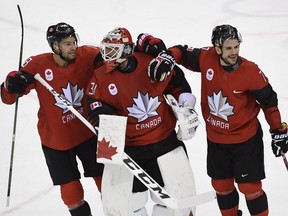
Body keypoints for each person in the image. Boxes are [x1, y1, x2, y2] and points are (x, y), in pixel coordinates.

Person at [145, 24, 288, 216]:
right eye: (228, 48)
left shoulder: (251, 71)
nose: (234, 52)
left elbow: (269, 102)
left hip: (246, 139)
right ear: (217, 48)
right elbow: (181, 51)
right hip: (216, 139)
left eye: (236, 46)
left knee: (250, 187)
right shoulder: (207, 58)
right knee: (221, 186)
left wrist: (278, 131)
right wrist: (167, 56)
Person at [86, 27, 200, 215]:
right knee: (129, 207)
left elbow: (177, 82)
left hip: (165, 144)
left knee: (174, 204)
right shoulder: (100, 77)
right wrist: (103, 118)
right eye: (106, 49)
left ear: (127, 50)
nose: (107, 55)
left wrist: (185, 106)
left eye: (113, 50)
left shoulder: (150, 64)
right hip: (130, 149)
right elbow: (94, 104)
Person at [1, 22, 106, 216]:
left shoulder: (89, 55)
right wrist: (10, 84)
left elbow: (116, 60)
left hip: (89, 132)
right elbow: (8, 98)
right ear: (55, 46)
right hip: (56, 140)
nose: (73, 46)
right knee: (71, 196)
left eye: (74, 41)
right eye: (67, 43)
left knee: (107, 185)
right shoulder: (37, 65)